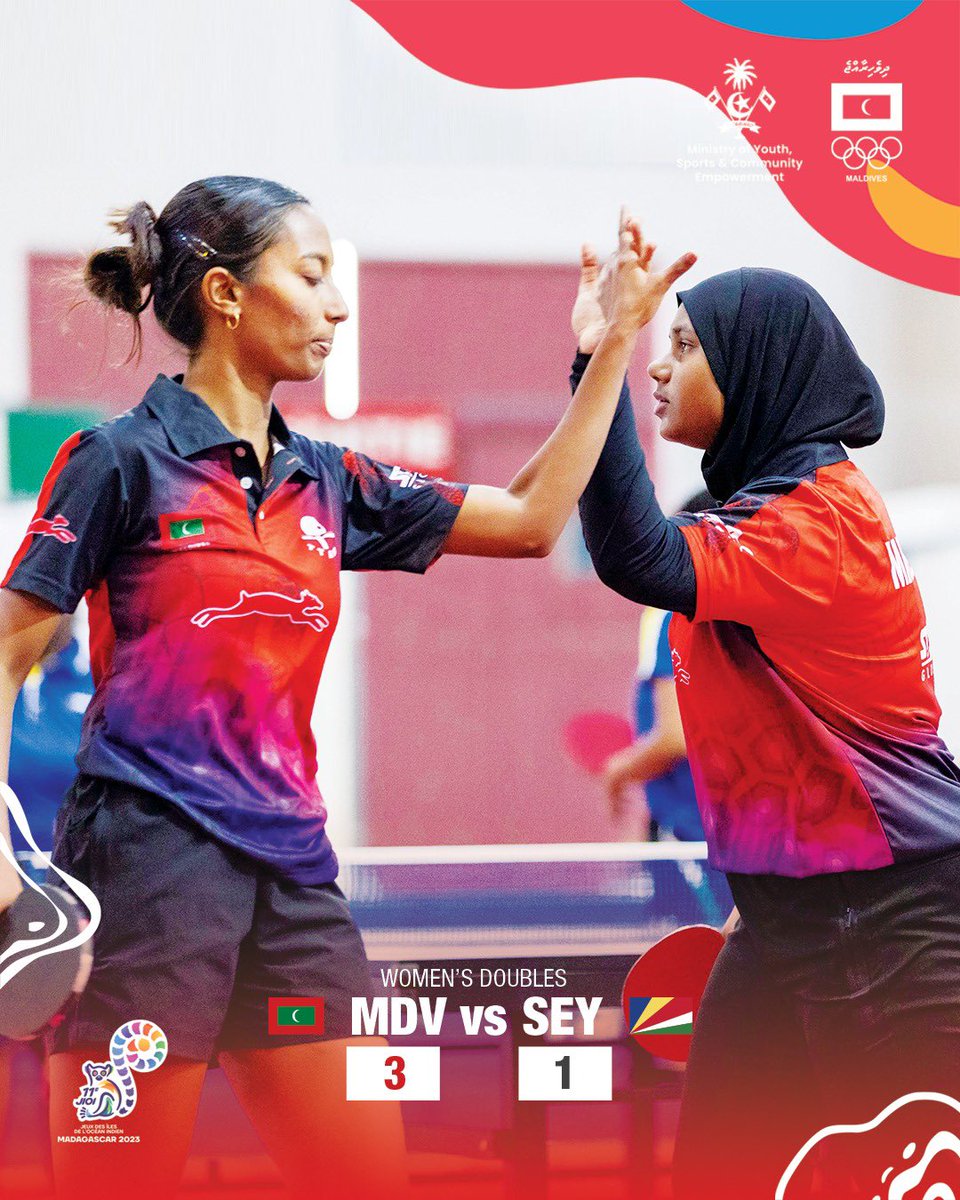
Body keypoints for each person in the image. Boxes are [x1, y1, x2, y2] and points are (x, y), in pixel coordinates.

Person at [0, 178, 694, 1199]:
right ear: (230, 297)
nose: (338, 305)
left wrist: (606, 354)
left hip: (295, 885)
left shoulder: (330, 480)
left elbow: (533, 517)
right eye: (313, 275)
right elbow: (9, 651)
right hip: (148, 873)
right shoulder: (118, 462)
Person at [570, 249, 960, 1199]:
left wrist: (601, 354)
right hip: (788, 918)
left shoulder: (813, 524)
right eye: (659, 347)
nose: (661, 367)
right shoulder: (775, 512)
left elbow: (632, 551)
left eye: (686, 347)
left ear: (756, 371)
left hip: (892, 925)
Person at [600, 491, 711, 843]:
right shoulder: (744, 611)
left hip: (689, 831)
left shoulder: (669, 615)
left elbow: (675, 737)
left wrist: (617, 771)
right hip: (747, 835)